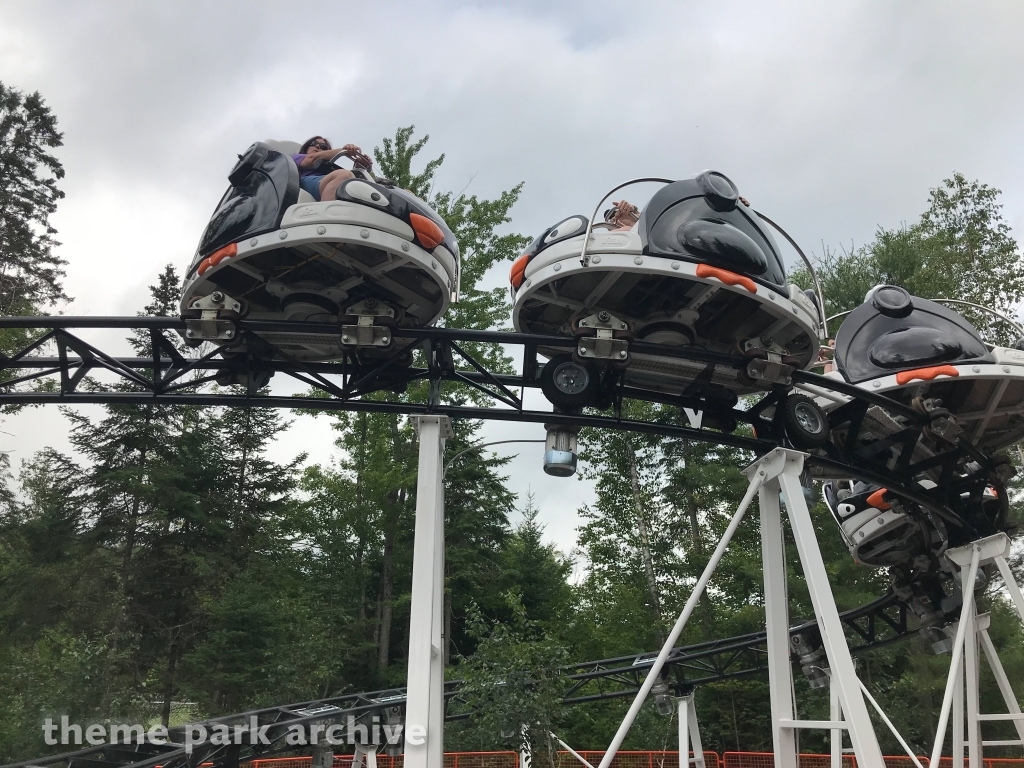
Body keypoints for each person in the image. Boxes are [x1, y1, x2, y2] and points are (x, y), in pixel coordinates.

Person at [291, 136, 372, 202]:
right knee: (344, 176)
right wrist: (343, 150)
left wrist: (360, 166)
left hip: (324, 181)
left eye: (323, 146)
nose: (317, 146)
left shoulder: (330, 168)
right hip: (303, 182)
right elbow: (311, 159)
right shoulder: (296, 157)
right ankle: (327, 216)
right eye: (313, 143)